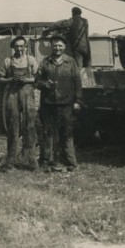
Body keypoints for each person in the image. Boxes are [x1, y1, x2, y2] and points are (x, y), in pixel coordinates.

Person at [36, 34, 82, 172]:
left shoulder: (71, 62)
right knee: (48, 133)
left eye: (60, 45)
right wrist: (45, 84)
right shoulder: (45, 62)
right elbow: (36, 81)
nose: (57, 48)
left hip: (66, 103)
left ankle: (71, 162)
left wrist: (78, 101)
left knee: (66, 133)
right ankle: (47, 162)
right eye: (55, 45)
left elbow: (77, 83)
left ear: (64, 47)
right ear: (51, 46)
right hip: (48, 104)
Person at [0, 35, 39, 170]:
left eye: (22, 46)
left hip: (27, 93)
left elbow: (38, 79)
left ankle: (29, 158)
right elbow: (0, 79)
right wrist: (11, 79)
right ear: (13, 48)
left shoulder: (31, 60)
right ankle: (11, 159)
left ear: (25, 47)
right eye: (17, 46)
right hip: (12, 93)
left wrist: (26, 80)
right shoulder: (7, 61)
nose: (19, 49)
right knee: (13, 124)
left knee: (30, 125)